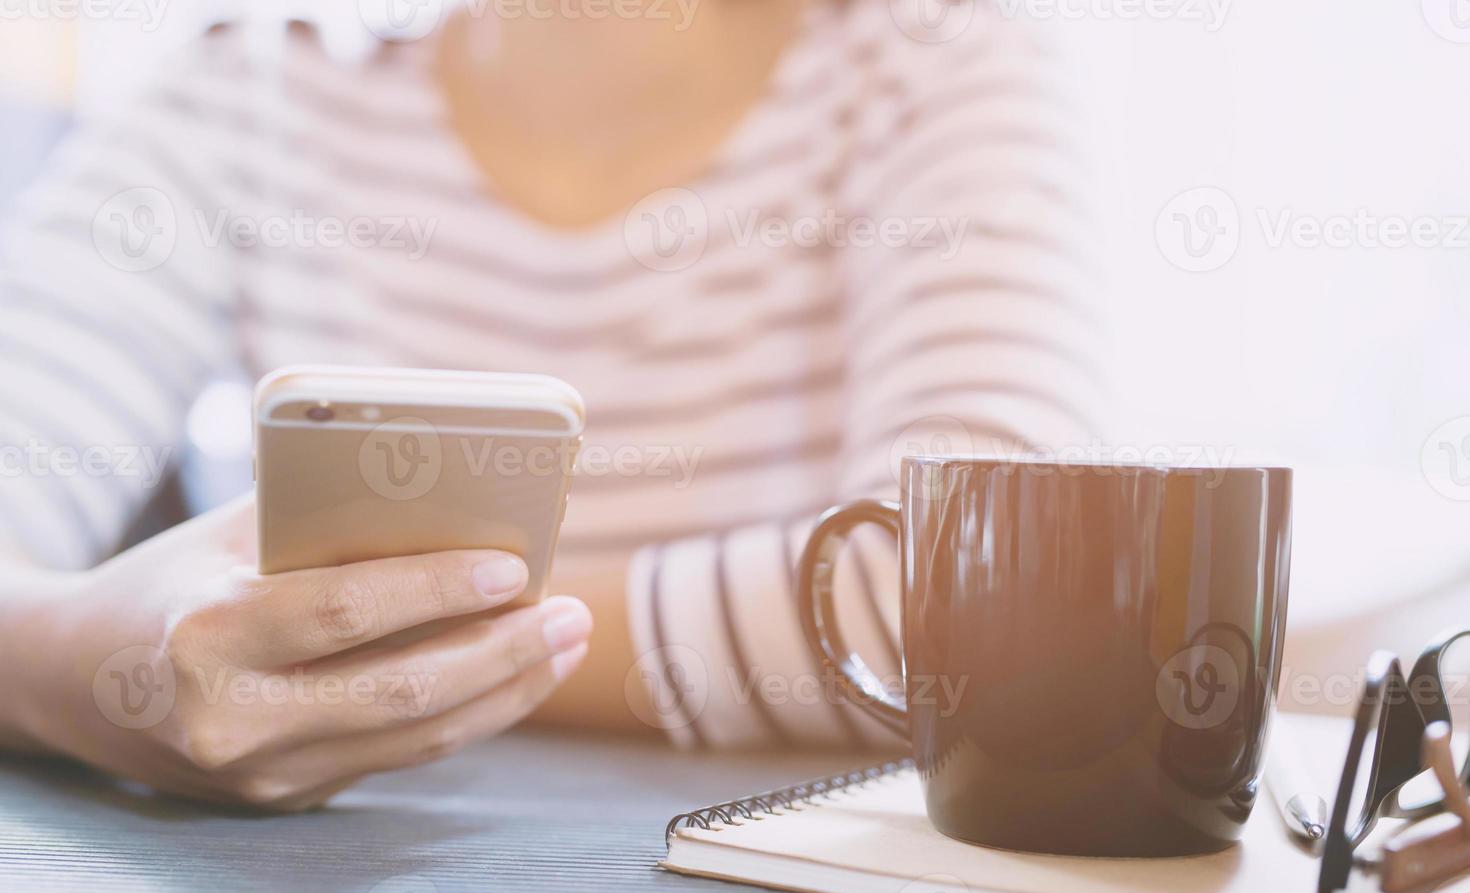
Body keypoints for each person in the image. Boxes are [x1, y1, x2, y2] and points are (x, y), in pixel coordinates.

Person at [0, 0, 1099, 807]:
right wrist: (82, 670)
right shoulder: (250, 91)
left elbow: (1001, 599)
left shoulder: (936, 58)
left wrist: (391, 636)